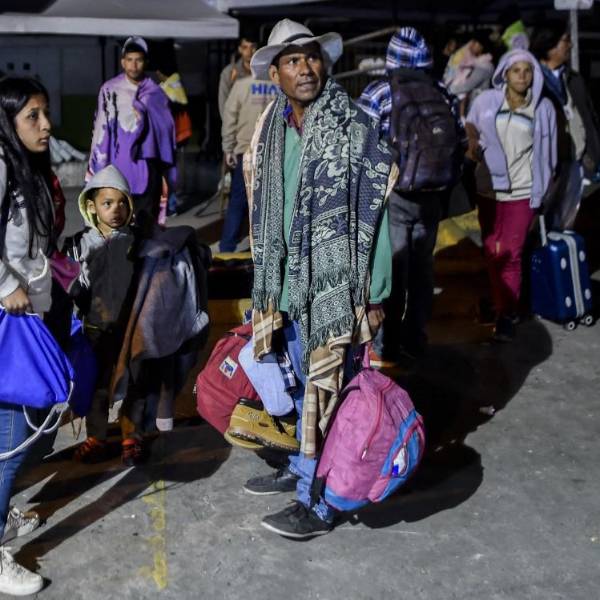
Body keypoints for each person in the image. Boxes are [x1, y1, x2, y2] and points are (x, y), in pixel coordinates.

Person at [240, 19, 397, 539]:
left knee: (326, 390)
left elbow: (375, 213)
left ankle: (317, 500)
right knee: (299, 383)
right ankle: (301, 466)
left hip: (335, 288)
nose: (305, 68)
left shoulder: (353, 127)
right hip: (286, 285)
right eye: (292, 60)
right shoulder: (273, 127)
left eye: (311, 57)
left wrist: (374, 293)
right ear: (276, 74)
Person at [0, 76, 70, 596]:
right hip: (8, 318)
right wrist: (6, 287)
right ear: (8, 121)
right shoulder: (1, 163)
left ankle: (4, 512)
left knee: (23, 431)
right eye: (32, 116)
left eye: (45, 113)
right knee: (10, 440)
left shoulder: (26, 165)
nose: (45, 125)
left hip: (29, 313)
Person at [358, 27, 464, 363]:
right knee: (422, 270)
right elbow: (460, 141)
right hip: (432, 195)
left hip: (394, 193)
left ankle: (387, 345)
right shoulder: (443, 92)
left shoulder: (379, 92)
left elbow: (359, 144)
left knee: (392, 269)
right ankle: (415, 339)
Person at [465, 49, 557, 341]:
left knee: (512, 253)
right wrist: (472, 140)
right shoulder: (485, 101)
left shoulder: (543, 109)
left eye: (527, 71)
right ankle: (501, 301)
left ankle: (506, 313)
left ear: (534, 75)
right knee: (492, 251)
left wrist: (544, 191)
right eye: (516, 70)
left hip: (523, 190)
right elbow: (470, 124)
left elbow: (550, 154)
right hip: (489, 189)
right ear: (504, 73)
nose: (522, 76)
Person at [64, 165, 137, 464]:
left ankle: (132, 437)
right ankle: (96, 437)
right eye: (107, 203)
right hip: (95, 329)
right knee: (97, 386)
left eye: (122, 203)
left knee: (134, 384)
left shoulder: (136, 243)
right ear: (91, 207)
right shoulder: (80, 245)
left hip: (131, 329)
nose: (116, 210)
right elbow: (71, 285)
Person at [88, 36, 176, 233]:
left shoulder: (155, 91)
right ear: (123, 62)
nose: (133, 65)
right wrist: (99, 166)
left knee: (146, 221)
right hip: (119, 165)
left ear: (145, 62)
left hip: (148, 166)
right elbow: (101, 129)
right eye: (129, 60)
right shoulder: (110, 90)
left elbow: (166, 129)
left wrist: (144, 116)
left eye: (138, 60)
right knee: (119, 221)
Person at [530, 25, 600, 229]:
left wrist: (593, 153)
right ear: (549, 45)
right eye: (565, 40)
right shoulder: (531, 80)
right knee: (542, 220)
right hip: (548, 163)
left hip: (576, 160)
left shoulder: (573, 78)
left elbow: (589, 117)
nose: (570, 45)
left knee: (570, 219)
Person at [219, 76, 279, 252]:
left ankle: (227, 247)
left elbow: (230, 117)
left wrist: (228, 148)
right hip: (273, 149)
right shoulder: (280, 84)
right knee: (269, 200)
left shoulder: (241, 85)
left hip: (246, 150)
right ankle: (267, 246)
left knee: (238, 200)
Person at [218, 36, 257, 119]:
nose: (249, 51)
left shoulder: (265, 71)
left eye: (253, 47)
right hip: (238, 123)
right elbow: (223, 102)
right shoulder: (228, 72)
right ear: (240, 49)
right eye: (245, 47)